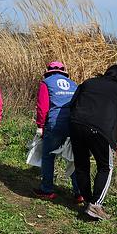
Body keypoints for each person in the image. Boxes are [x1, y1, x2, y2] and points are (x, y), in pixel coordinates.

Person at [69, 64, 117, 220]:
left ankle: (88, 201)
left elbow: (72, 104)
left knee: (81, 165)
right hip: (99, 131)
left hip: (76, 125)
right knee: (106, 167)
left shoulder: (89, 82)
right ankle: (95, 205)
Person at [32, 62, 81, 203]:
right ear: (63, 71)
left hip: (55, 124)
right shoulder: (73, 84)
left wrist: (40, 125)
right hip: (73, 124)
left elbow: (42, 107)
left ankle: (47, 189)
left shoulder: (46, 83)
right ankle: (79, 192)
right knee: (73, 158)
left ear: (49, 71)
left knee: (48, 156)